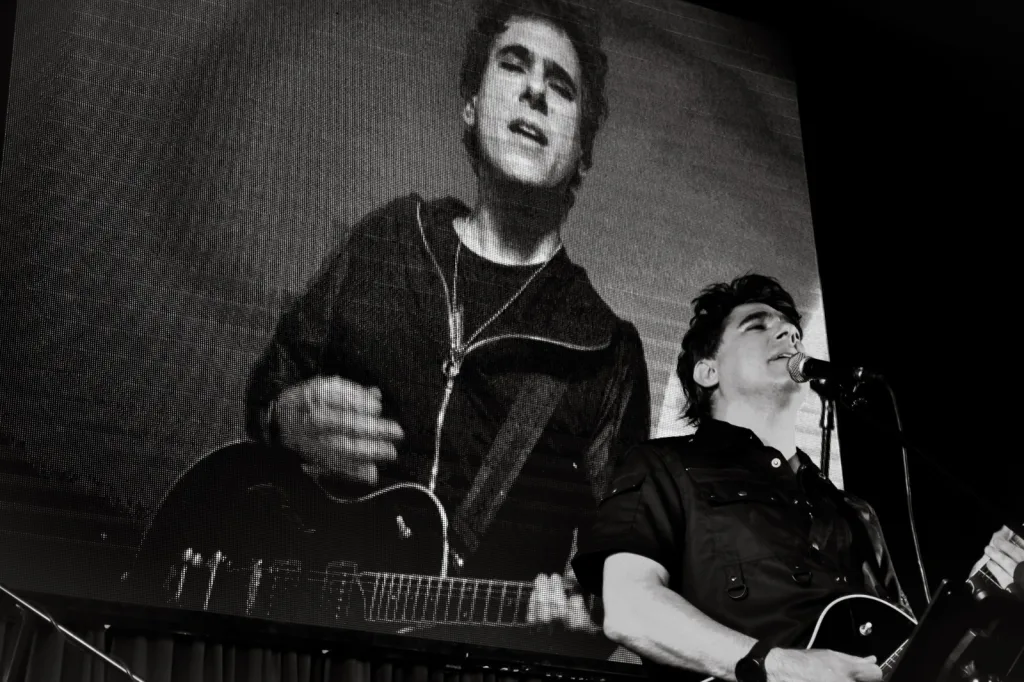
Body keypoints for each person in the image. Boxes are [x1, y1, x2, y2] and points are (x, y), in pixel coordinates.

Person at [243, 0, 650, 636]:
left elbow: (624, 570)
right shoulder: (391, 241)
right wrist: (287, 416)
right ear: (471, 105)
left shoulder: (603, 351)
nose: (535, 91)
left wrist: (579, 622)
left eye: (561, 87)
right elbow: (267, 390)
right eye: (513, 65)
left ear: (582, 152)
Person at [570, 273, 1024, 682]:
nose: (788, 333)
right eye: (757, 326)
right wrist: (780, 665)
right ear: (707, 371)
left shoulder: (855, 513)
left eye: (793, 330)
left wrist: (982, 597)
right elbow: (630, 610)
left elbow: (908, 657)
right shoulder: (663, 465)